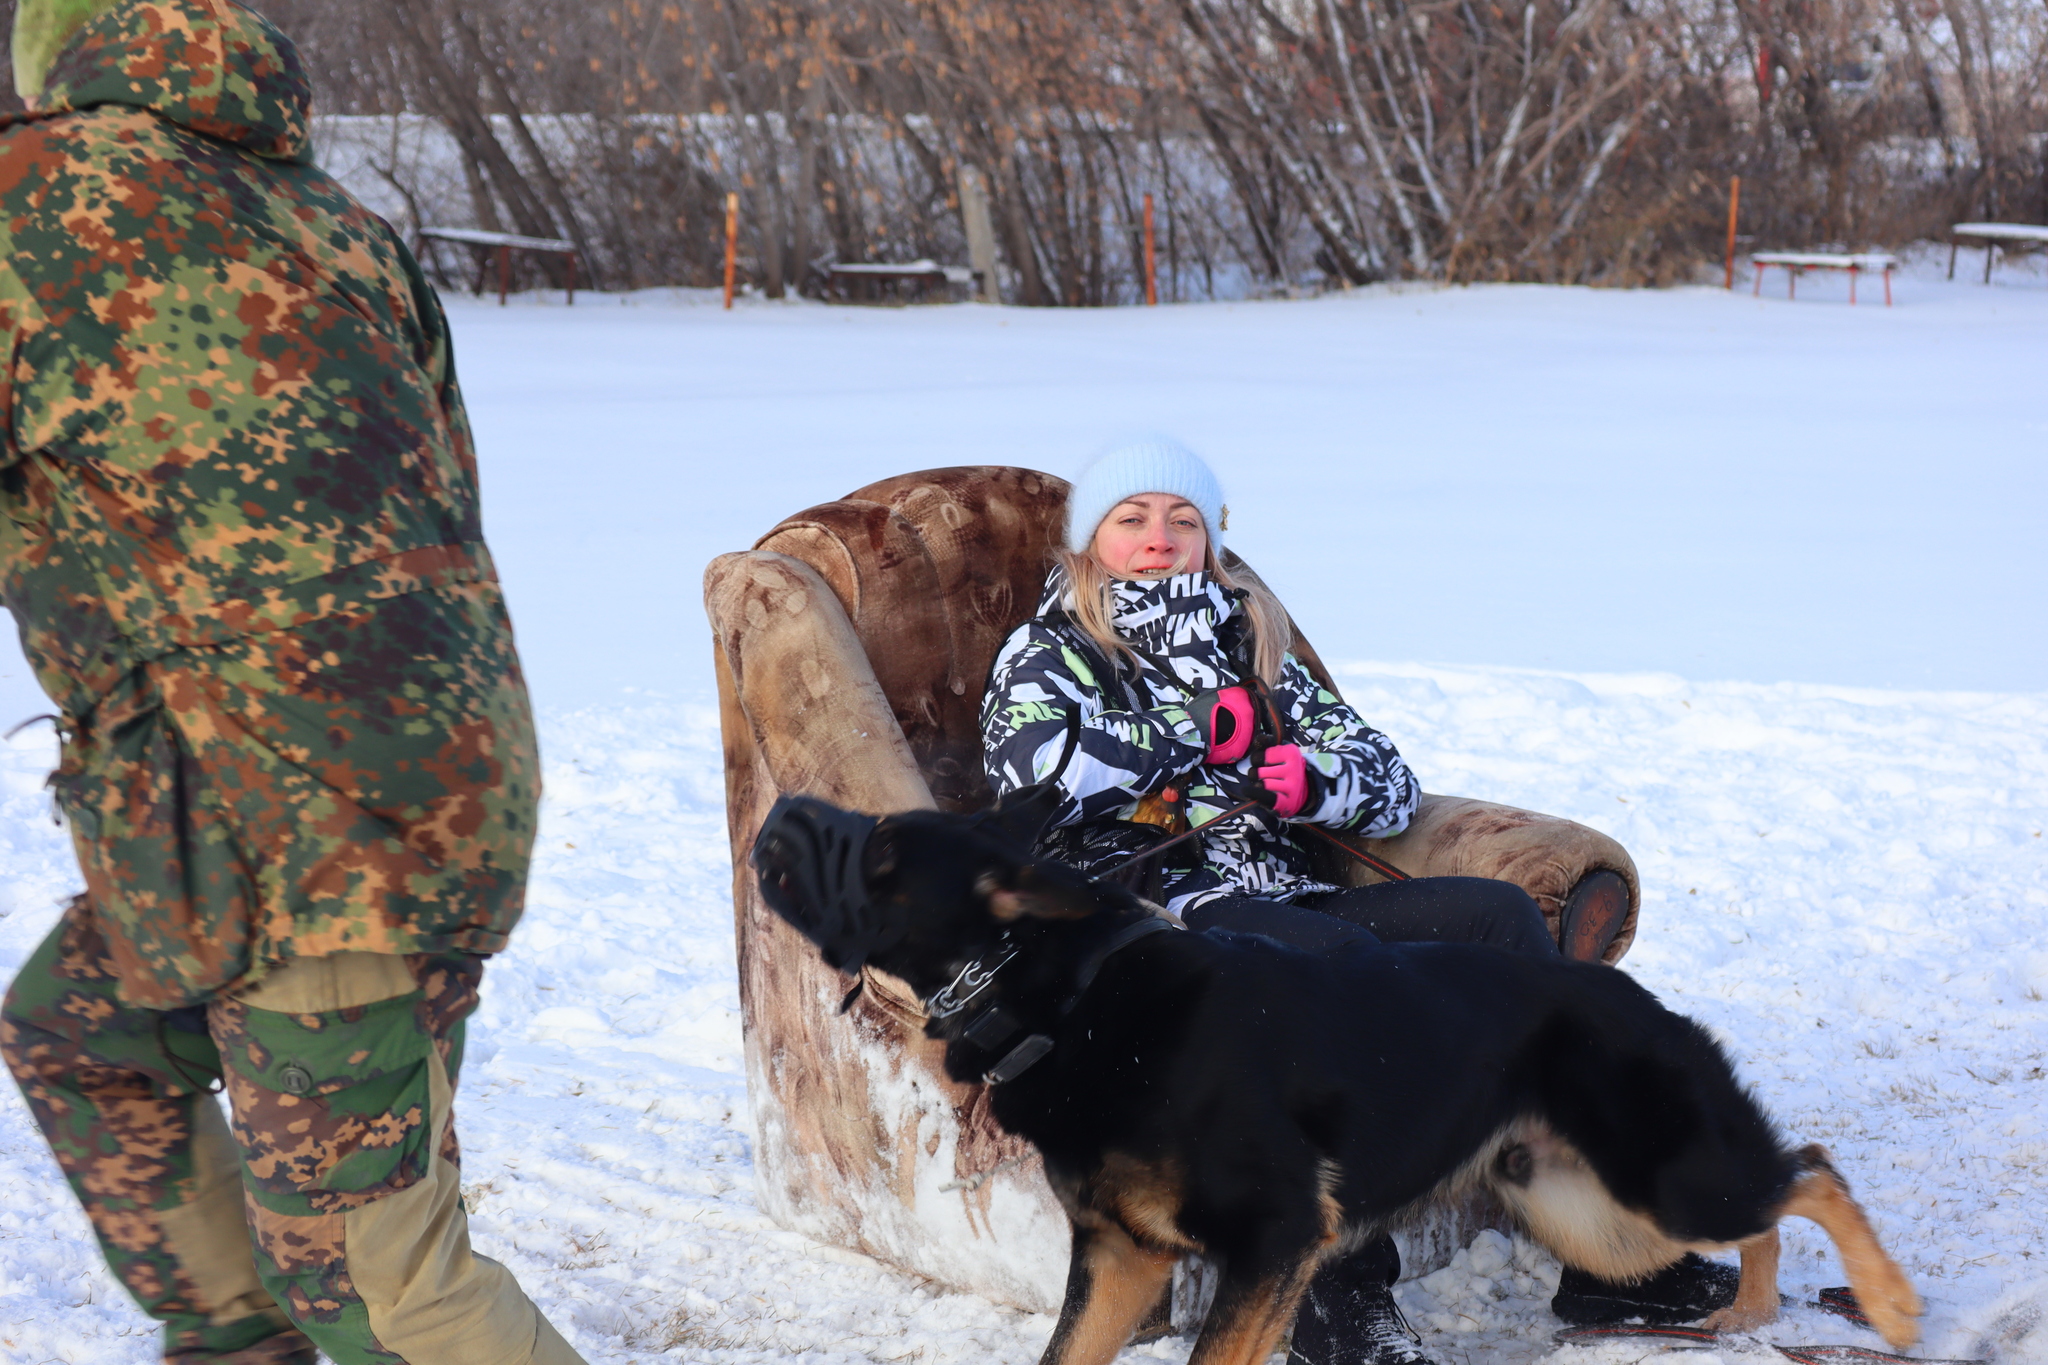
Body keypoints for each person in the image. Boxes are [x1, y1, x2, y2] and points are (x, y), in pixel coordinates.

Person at [0, 1, 581, 1362]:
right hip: (402, 786)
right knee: (86, 1035)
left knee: (382, 1281)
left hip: (304, 831)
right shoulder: (331, 221)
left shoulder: (32, 197)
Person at [980, 437, 1737, 1365]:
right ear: (1090, 541)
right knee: (1326, 979)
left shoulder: (1251, 640)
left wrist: (1310, 779)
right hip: (1160, 921)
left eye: (1183, 519)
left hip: (1283, 895)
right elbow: (1034, 775)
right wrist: (1197, 735)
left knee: (1494, 925)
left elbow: (1389, 780)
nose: (1158, 537)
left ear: (1210, 542)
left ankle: (1600, 1240)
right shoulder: (1049, 651)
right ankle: (1335, 1301)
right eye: (1130, 518)